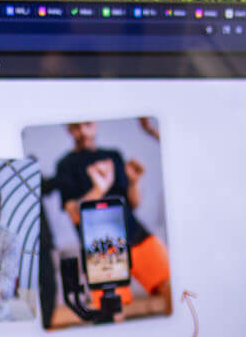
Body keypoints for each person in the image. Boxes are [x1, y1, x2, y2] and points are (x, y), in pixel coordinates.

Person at [46, 119, 170, 304]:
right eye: (76, 127)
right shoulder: (65, 165)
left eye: (87, 124)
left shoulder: (114, 155)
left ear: (94, 124)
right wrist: (99, 189)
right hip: (100, 248)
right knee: (111, 312)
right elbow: (74, 214)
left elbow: (133, 204)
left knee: (175, 291)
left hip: (137, 235)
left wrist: (134, 182)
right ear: (69, 130)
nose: (83, 131)